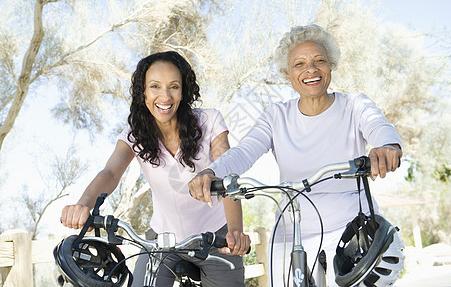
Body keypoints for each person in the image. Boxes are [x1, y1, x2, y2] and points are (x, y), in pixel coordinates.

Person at [188, 24, 403, 286]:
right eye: (299, 64)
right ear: (288, 74)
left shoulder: (355, 105)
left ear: (331, 66)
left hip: (349, 229)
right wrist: (213, 172)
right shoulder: (276, 115)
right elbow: (245, 151)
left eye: (319, 61)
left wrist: (386, 147)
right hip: (292, 229)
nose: (310, 70)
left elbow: (380, 128)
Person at [60, 51, 250, 287]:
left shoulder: (210, 121)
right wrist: (84, 204)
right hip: (161, 239)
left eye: (173, 86)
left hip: (216, 237)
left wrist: (235, 231)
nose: (165, 96)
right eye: (155, 86)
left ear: (183, 91)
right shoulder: (135, 134)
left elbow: (227, 174)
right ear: (143, 92)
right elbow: (110, 173)